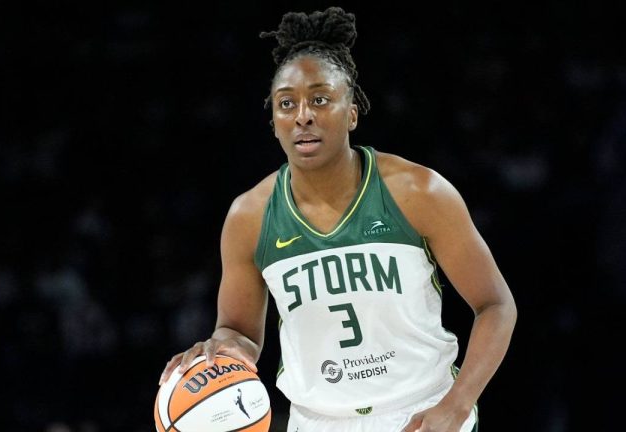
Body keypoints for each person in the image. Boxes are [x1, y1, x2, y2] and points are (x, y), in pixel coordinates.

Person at [159, 6, 516, 432]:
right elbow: (238, 332)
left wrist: (457, 405)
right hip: (317, 421)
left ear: (352, 112)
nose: (303, 115)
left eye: (320, 99)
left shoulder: (419, 192)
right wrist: (220, 348)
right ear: (274, 122)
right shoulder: (249, 217)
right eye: (286, 103)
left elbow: (495, 305)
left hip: (422, 410)